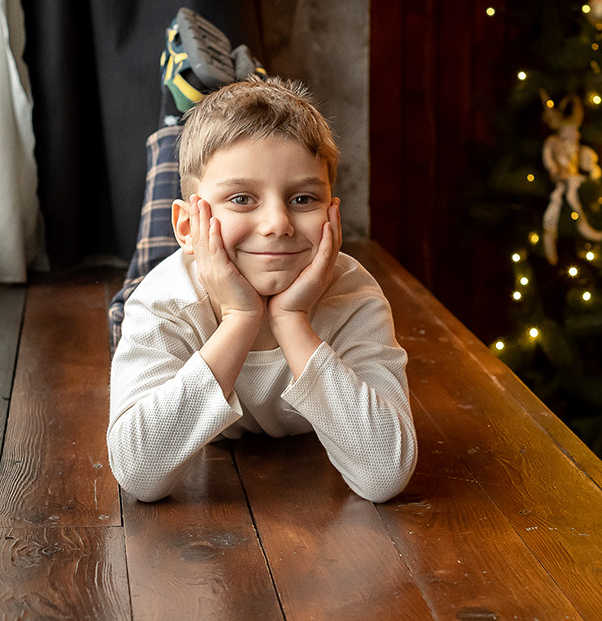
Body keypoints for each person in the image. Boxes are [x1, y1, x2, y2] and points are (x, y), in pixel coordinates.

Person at [107, 77, 416, 502]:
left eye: (303, 199)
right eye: (241, 198)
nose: (278, 223)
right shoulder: (163, 302)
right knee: (126, 305)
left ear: (333, 214)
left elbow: (385, 474)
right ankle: (190, 97)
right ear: (186, 226)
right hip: (184, 275)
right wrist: (240, 319)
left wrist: (292, 320)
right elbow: (138, 474)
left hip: (248, 268)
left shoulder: (354, 298)